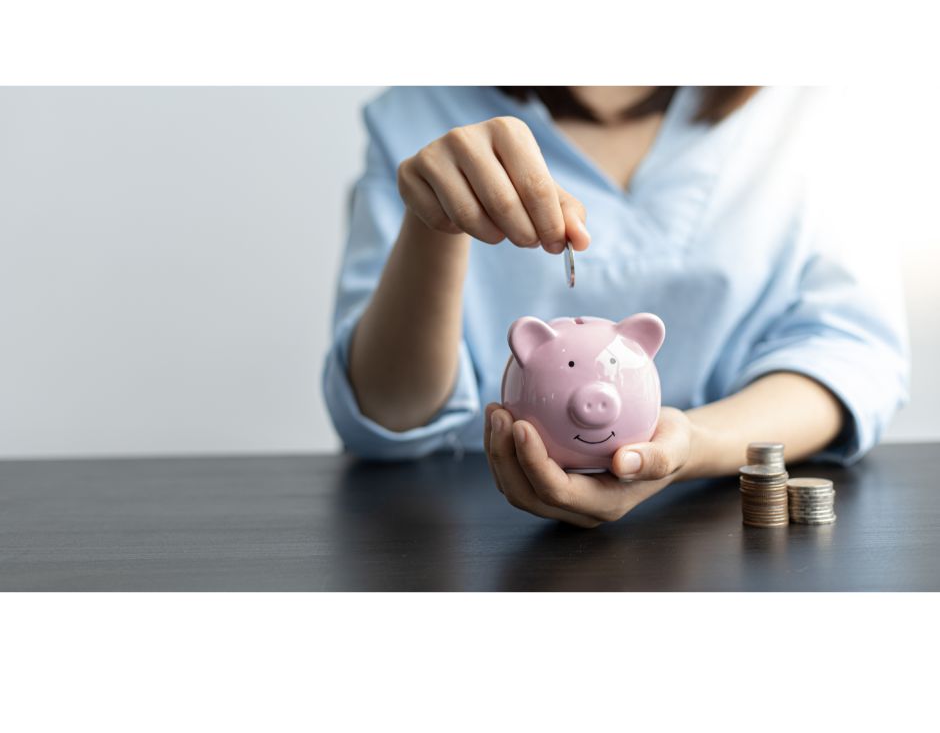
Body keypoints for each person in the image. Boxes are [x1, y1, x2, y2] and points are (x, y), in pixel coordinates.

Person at [322, 86, 909, 527]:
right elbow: (386, 413)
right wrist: (437, 226)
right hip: (471, 531)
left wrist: (691, 443)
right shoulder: (418, 110)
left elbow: (850, 352)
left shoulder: (807, 103)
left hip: (722, 526)